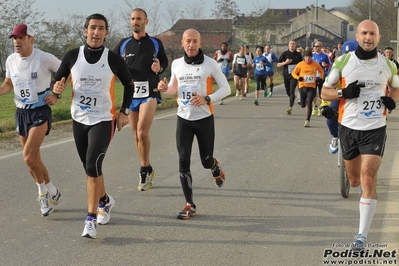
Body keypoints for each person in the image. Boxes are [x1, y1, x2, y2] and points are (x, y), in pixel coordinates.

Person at [52, 13, 135, 239]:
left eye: (101, 28)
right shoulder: (72, 56)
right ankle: (105, 201)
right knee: (92, 169)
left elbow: (130, 85)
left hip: (103, 119)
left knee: (91, 166)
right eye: (92, 28)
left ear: (106, 33)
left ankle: (90, 219)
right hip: (79, 119)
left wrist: (124, 112)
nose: (96, 32)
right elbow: (57, 82)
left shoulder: (113, 59)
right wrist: (55, 92)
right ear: (85, 30)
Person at [321, 19, 399, 250]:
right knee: (354, 180)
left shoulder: (388, 65)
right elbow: (325, 91)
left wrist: (392, 101)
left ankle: (361, 236)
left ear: (378, 36)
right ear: (357, 36)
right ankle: (350, 179)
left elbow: (397, 88)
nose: (368, 37)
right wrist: (344, 92)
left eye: (372, 33)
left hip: (375, 128)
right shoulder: (343, 61)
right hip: (348, 127)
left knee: (368, 178)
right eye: (364, 33)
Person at [157, 29, 231, 220]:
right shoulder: (176, 64)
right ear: (182, 43)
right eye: (188, 41)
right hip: (184, 119)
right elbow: (174, 88)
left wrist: (208, 98)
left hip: (204, 119)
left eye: (195, 41)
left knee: (206, 161)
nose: (191, 45)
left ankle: (215, 166)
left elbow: (226, 88)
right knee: (183, 161)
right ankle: (190, 203)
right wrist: (165, 90)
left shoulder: (210, 63)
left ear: (200, 43)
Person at [0, 24, 62, 217]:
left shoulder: (43, 58)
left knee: (28, 156)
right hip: (21, 114)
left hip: (40, 112)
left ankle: (42, 195)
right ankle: (53, 191)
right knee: (33, 161)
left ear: (31, 39)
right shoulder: (11, 60)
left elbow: (65, 72)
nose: (16, 42)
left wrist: (56, 94)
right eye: (14, 39)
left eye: (21, 38)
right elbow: (8, 83)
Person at [113, 8, 168, 191]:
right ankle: (148, 166)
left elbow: (164, 63)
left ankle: (143, 170)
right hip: (132, 94)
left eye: (139, 19)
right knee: (136, 135)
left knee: (143, 133)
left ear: (146, 21)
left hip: (150, 92)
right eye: (133, 19)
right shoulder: (123, 44)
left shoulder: (155, 43)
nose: (135, 22)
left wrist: (159, 67)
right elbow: (111, 64)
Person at [320, 40, 358, 154]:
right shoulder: (337, 66)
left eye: (352, 54)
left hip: (358, 98)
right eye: (346, 54)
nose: (349, 57)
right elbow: (326, 89)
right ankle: (334, 137)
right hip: (340, 96)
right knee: (330, 114)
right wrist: (324, 105)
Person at [291, 49, 324, 127]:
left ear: (311, 57)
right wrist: (298, 78)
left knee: (309, 103)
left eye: (309, 57)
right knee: (303, 105)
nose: (308, 59)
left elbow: (321, 71)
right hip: (302, 86)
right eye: (306, 57)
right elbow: (293, 73)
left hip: (312, 87)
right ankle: (304, 100)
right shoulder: (300, 64)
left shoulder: (315, 64)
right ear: (304, 57)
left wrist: (321, 78)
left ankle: (307, 120)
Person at [277, 40, 303, 115]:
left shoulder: (298, 54)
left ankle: (290, 107)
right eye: (291, 44)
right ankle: (292, 98)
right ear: (288, 45)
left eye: (293, 44)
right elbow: (278, 65)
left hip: (294, 76)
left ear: (295, 45)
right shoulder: (285, 54)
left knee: (292, 90)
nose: (292, 45)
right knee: (288, 91)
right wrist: (285, 63)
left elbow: (301, 65)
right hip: (286, 75)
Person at [311, 41, 331, 116]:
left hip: (321, 76)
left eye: (318, 46)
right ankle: (315, 106)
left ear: (321, 47)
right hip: (313, 77)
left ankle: (320, 107)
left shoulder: (325, 56)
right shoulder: (312, 55)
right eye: (315, 46)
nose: (316, 48)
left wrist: (326, 65)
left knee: (320, 93)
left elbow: (330, 65)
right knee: (313, 93)